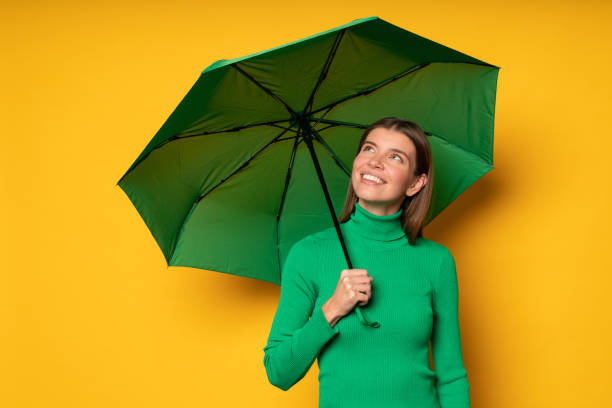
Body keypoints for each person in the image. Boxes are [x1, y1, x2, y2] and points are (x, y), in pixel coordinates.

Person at [263, 117, 471, 407]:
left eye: (395, 157)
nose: (375, 162)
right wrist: (331, 310)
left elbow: (452, 375)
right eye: (369, 149)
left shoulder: (436, 261)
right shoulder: (309, 254)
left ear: (415, 183)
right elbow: (278, 371)